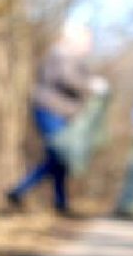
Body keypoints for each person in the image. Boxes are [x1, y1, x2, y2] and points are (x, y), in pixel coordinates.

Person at [7, 21, 103, 214]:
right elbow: (67, 79)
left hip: (58, 112)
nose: (89, 46)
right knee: (61, 155)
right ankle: (20, 190)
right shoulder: (62, 55)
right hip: (50, 111)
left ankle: (59, 202)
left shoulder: (66, 56)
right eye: (86, 41)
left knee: (59, 158)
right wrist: (91, 85)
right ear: (75, 39)